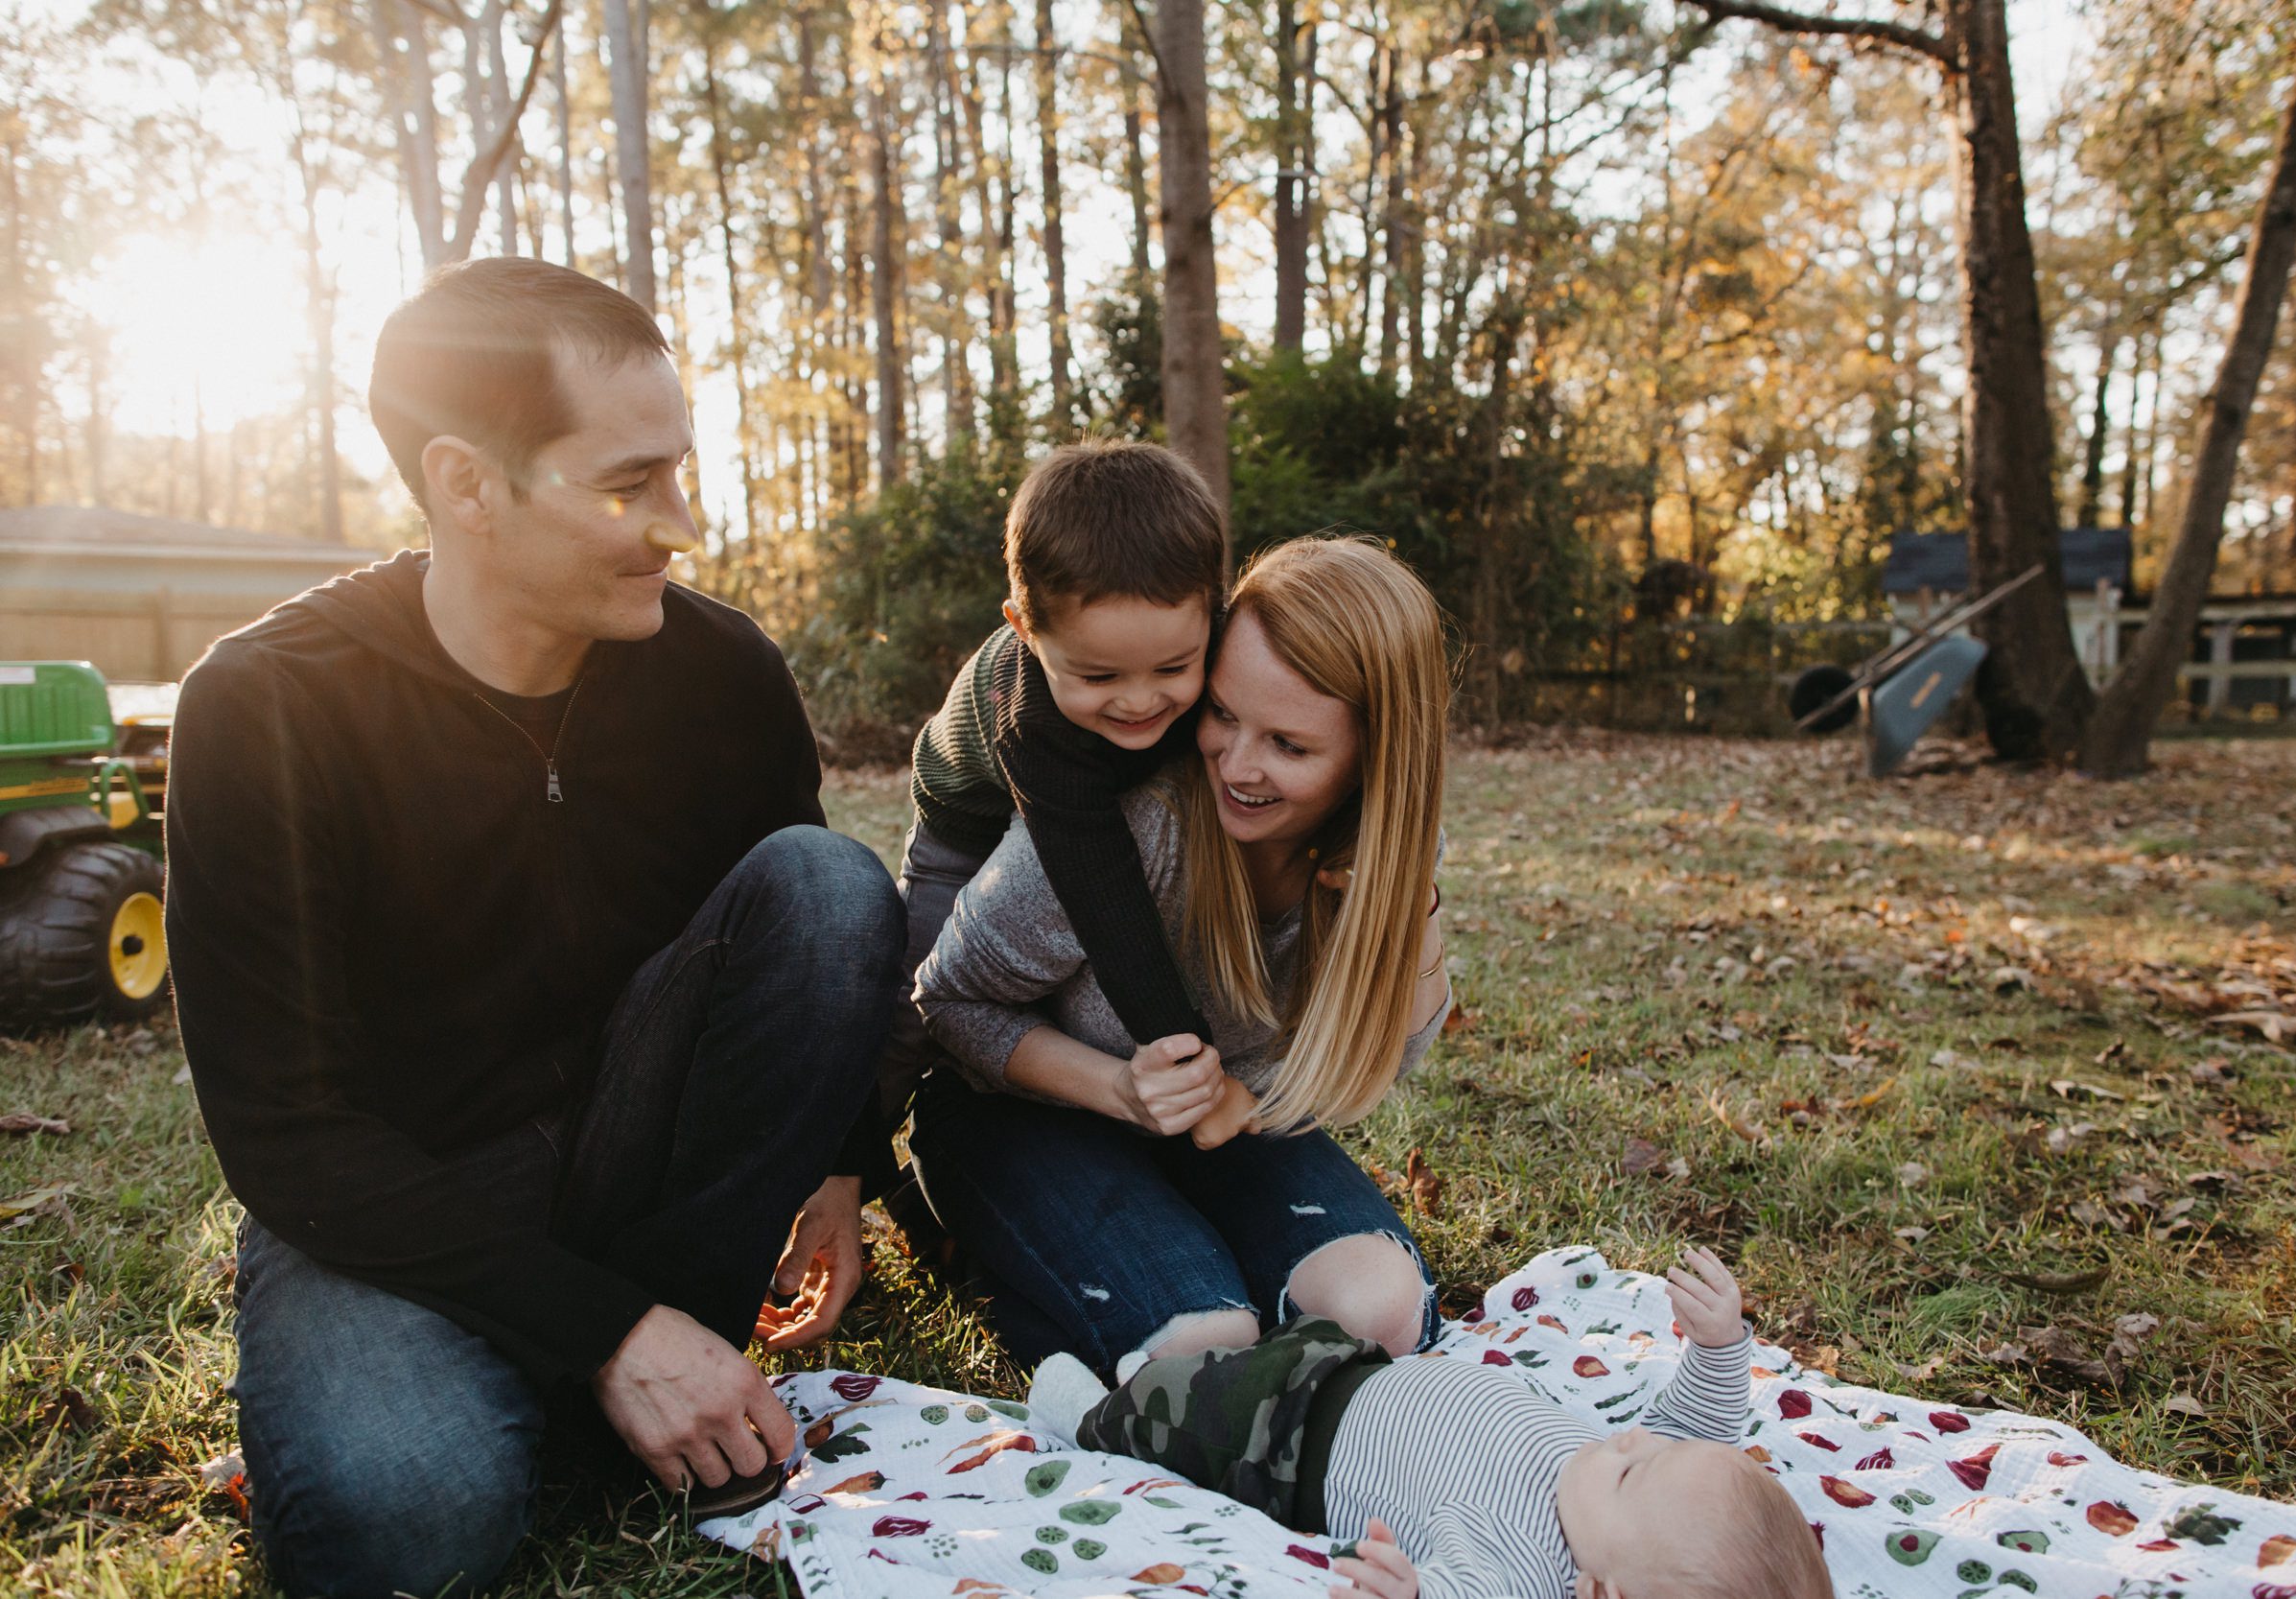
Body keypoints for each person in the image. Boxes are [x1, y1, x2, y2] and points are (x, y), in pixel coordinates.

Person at [164, 258, 904, 1599]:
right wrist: (614, 1331)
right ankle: (578, 1373)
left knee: (828, 883)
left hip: (640, 1161)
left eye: (680, 470)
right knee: (410, 1519)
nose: (681, 523)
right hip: (400, 1198)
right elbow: (288, 1131)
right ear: (465, 484)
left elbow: (809, 955)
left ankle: (602, 1363)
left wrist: (842, 1169)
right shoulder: (263, 706)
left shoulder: (720, 668)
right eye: (629, 485)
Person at [905, 535, 1454, 1381]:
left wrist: (1412, 917)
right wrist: (1119, 1088)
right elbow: (947, 1004)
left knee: (1381, 1315)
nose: (1237, 765)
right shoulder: (1133, 818)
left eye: (1290, 746)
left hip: (1216, 1135)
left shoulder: (1384, 852)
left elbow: (1388, 1052)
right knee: (1203, 1353)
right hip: (1026, 1113)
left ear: (1374, 761)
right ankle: (983, 1241)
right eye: (1224, 714)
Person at [758, 440, 1226, 1352]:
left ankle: (1063, 1145)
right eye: (1098, 675)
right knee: (908, 1011)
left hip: (1070, 821)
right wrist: (1181, 1049)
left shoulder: (1204, 652)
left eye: (1174, 668)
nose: (1139, 701)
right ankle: (847, 1177)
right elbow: (1103, 894)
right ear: (1024, 627)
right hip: (966, 825)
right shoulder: (1034, 718)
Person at [1025, 1246, 1837, 1599]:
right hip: (1361, 1371)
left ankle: (1088, 1417)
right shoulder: (1641, 1492)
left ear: (1601, 1591)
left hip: (1285, 1442)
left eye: (1632, 1467)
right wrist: (1722, 1342)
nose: (1633, 1437)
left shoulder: (1518, 1571)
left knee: (1181, 1408)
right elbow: (1700, 1426)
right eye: (1647, 1445)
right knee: (1263, 1342)